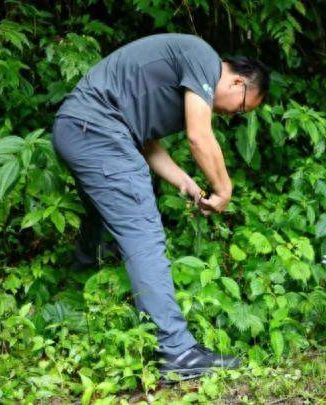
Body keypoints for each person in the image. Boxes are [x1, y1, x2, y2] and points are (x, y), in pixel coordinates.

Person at [51, 33, 269, 380]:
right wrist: (223, 188)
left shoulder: (182, 77)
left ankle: (72, 310)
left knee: (103, 224)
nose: (233, 115)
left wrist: (185, 182)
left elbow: (144, 141)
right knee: (143, 232)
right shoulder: (204, 57)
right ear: (238, 81)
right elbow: (200, 136)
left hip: (82, 127)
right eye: (241, 108)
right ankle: (176, 350)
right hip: (96, 128)